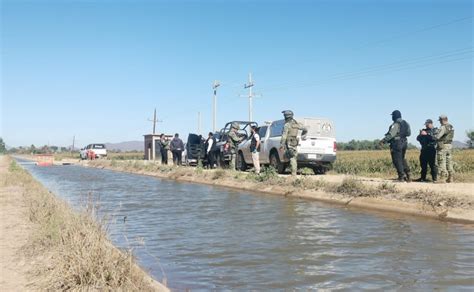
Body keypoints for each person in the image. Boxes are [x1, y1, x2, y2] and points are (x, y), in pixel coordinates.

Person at [379, 110, 411, 182]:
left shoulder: (395, 124)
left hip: (397, 143)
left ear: (395, 116)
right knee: (402, 158)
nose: (392, 117)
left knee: (397, 160)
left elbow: (391, 135)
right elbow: (409, 133)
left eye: (392, 116)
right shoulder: (406, 123)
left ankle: (401, 177)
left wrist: (383, 141)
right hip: (405, 142)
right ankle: (408, 174)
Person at [280, 110, 307, 176]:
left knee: (292, 158)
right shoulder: (296, 124)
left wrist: (281, 145)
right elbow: (305, 129)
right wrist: (303, 136)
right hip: (294, 142)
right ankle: (293, 172)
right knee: (293, 157)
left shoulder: (287, 125)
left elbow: (284, 136)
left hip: (289, 142)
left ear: (286, 117)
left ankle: (293, 174)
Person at [434, 114, 455, 183]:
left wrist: (435, 134)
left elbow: (438, 136)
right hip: (449, 145)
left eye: (440, 120)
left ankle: (442, 178)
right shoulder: (451, 126)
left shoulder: (443, 127)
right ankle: (450, 177)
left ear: (442, 120)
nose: (439, 122)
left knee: (441, 161)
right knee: (449, 161)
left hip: (442, 146)